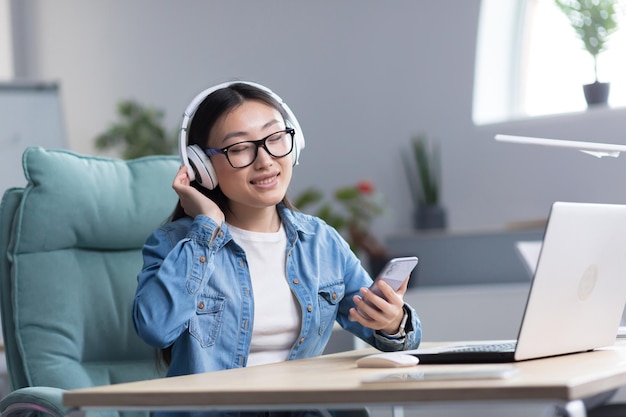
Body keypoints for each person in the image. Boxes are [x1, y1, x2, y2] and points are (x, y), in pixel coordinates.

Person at [132, 81, 422, 417]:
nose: (265, 160)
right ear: (203, 167)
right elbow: (155, 328)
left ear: (293, 142)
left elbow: (396, 337)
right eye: (239, 148)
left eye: (275, 139)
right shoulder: (174, 244)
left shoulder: (320, 243)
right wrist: (207, 226)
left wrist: (392, 321)